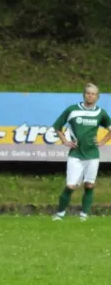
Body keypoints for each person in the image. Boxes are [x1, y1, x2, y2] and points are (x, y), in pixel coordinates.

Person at [52, 83, 111, 222]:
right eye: (88, 93)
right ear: (84, 95)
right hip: (76, 154)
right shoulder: (72, 110)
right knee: (71, 185)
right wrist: (65, 141)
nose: (90, 96)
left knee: (89, 184)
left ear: (98, 97)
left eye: (93, 94)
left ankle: (84, 215)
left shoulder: (100, 112)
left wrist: (102, 141)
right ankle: (60, 213)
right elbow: (57, 126)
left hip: (92, 154)